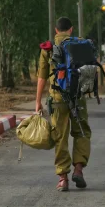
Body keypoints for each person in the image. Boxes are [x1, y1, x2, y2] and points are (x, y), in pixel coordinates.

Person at [36, 17, 92, 192]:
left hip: (58, 98)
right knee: (82, 132)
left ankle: (62, 178)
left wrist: (38, 101)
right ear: (71, 29)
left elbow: (42, 77)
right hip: (78, 97)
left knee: (60, 136)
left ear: (55, 30)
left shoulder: (48, 49)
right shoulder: (81, 45)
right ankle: (78, 169)